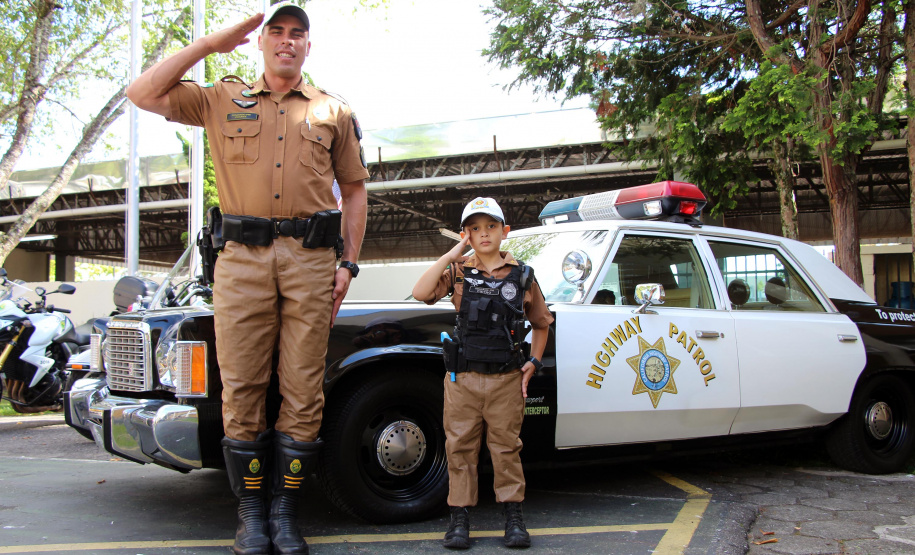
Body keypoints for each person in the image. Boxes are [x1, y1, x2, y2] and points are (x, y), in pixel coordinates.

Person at [126, 2, 369, 554]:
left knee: (304, 388)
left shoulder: (332, 111)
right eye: (276, 32)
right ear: (261, 43)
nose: (286, 41)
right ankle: (250, 513)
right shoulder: (220, 97)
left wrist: (348, 263)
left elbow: (353, 189)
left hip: (311, 261)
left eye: (297, 34)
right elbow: (142, 93)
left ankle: (285, 513)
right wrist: (212, 43)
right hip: (241, 258)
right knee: (241, 387)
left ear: (309, 46)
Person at [412, 197, 553, 550]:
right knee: (459, 449)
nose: (483, 233)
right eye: (474, 228)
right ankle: (459, 520)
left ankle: (513, 518)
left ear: (505, 231)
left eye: (490, 226)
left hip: (506, 380)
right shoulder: (458, 271)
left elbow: (541, 323)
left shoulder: (523, 275)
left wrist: (532, 363)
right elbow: (421, 292)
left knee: (506, 449)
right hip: (463, 380)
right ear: (466, 234)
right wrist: (451, 254)